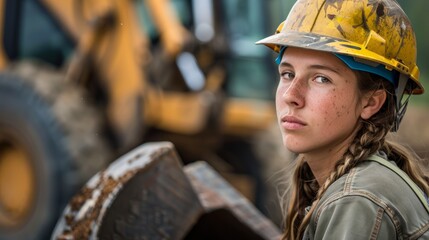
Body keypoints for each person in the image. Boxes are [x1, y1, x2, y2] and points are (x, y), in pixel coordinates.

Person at [256, 0, 429, 239]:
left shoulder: (358, 200)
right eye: (287, 74)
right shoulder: (358, 184)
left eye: (321, 79)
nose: (290, 96)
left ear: (370, 102)